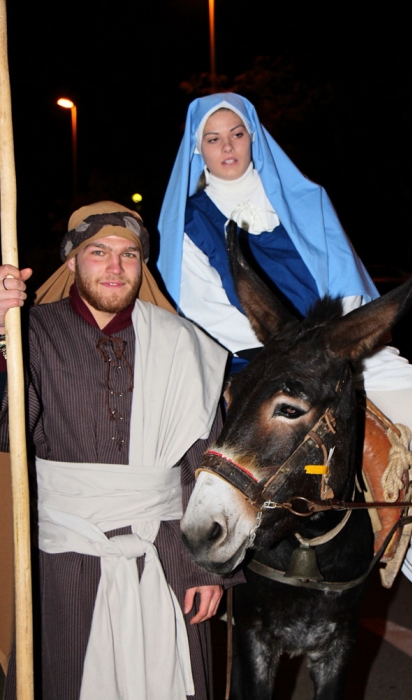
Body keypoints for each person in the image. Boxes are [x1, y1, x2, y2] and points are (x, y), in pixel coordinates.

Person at [157, 92, 412, 625]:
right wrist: (285, 349)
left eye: (236, 134)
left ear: (253, 137)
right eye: (213, 138)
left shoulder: (305, 198)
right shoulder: (189, 221)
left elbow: (343, 279)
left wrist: (339, 341)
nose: (227, 146)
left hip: (331, 345)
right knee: (219, 443)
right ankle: (215, 566)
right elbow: (204, 307)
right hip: (254, 353)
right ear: (197, 150)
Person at [0, 201, 235, 700]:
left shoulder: (181, 343)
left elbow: (210, 466)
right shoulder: (31, 335)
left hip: (170, 556)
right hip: (63, 560)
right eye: (98, 252)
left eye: (129, 255)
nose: (114, 267)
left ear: (142, 265)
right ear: (71, 262)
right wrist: (2, 334)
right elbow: (7, 433)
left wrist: (207, 569)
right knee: (64, 679)